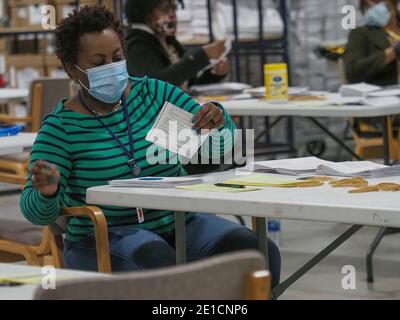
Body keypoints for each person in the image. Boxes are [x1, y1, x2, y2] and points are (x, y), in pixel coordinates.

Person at [19, 6, 281, 288]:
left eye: (117, 58)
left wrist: (219, 120)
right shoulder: (61, 128)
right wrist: (48, 193)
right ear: (73, 69)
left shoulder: (154, 96)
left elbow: (221, 150)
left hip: (179, 225)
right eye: (98, 62)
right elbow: (34, 213)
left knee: (259, 252)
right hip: (102, 237)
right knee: (156, 261)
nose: (112, 67)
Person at [124, 0, 229, 90]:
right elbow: (158, 84)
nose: (172, 14)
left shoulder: (168, 41)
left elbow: (190, 84)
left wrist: (215, 73)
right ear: (145, 12)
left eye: (174, 8)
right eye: (165, 9)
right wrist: (201, 56)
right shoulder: (136, 44)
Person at [344, 0, 400, 137]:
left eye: (376, 3)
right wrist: (392, 53)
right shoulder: (361, 34)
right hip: (383, 107)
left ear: (393, 5)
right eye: (367, 6)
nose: (373, 9)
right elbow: (353, 72)